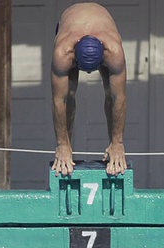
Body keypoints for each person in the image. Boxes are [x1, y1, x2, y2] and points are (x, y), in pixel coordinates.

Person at [51, 2, 127, 176]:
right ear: (74, 58)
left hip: (104, 23)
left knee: (110, 91)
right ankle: (66, 148)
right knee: (68, 93)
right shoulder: (63, 51)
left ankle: (113, 146)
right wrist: (61, 144)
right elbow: (59, 100)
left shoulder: (114, 51)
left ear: (103, 59)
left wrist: (118, 143)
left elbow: (119, 98)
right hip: (69, 22)